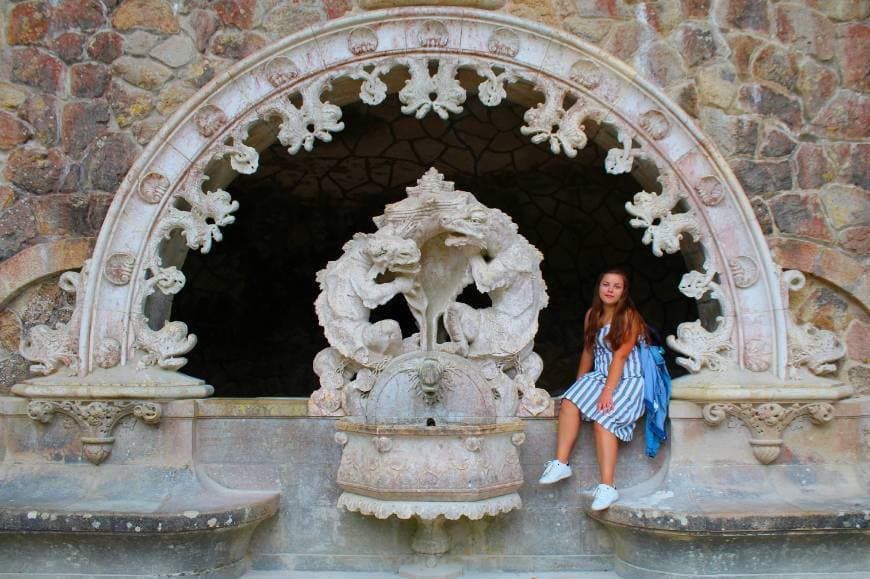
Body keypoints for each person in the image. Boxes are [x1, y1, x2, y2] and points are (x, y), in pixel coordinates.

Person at [538, 268, 647, 511]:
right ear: (599, 287)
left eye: (616, 286)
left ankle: (608, 488)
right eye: (606, 284)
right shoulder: (592, 315)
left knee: (604, 419)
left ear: (623, 292)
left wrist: (608, 392)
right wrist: (578, 384)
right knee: (568, 403)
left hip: (629, 379)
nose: (610, 290)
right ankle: (561, 463)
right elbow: (589, 351)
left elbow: (620, 357)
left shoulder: (629, 317)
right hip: (600, 375)